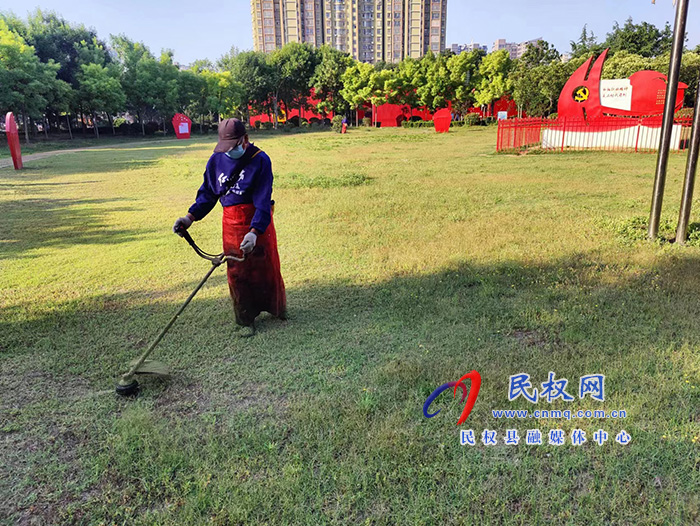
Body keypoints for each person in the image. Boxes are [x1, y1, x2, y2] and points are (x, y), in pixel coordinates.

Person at [173, 118, 286, 337]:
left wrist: (254, 232)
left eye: (233, 147)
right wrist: (189, 217)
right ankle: (245, 318)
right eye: (226, 147)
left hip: (258, 222)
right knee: (237, 272)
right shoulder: (216, 160)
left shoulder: (260, 160)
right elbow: (208, 193)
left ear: (245, 140)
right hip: (231, 223)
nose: (229, 152)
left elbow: (263, 200)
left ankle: (276, 309)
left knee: (266, 267)